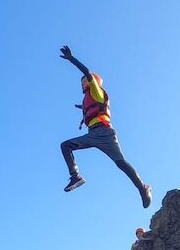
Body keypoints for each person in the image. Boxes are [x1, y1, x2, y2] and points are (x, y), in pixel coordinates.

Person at [59, 45, 152, 208]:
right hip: (92, 134)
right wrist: (83, 108)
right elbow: (93, 109)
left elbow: (87, 72)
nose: (82, 84)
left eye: (83, 81)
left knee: (121, 163)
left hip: (105, 133)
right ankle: (76, 177)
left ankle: (143, 188)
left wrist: (71, 59)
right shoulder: (89, 97)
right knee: (66, 145)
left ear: (92, 82)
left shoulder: (96, 89)